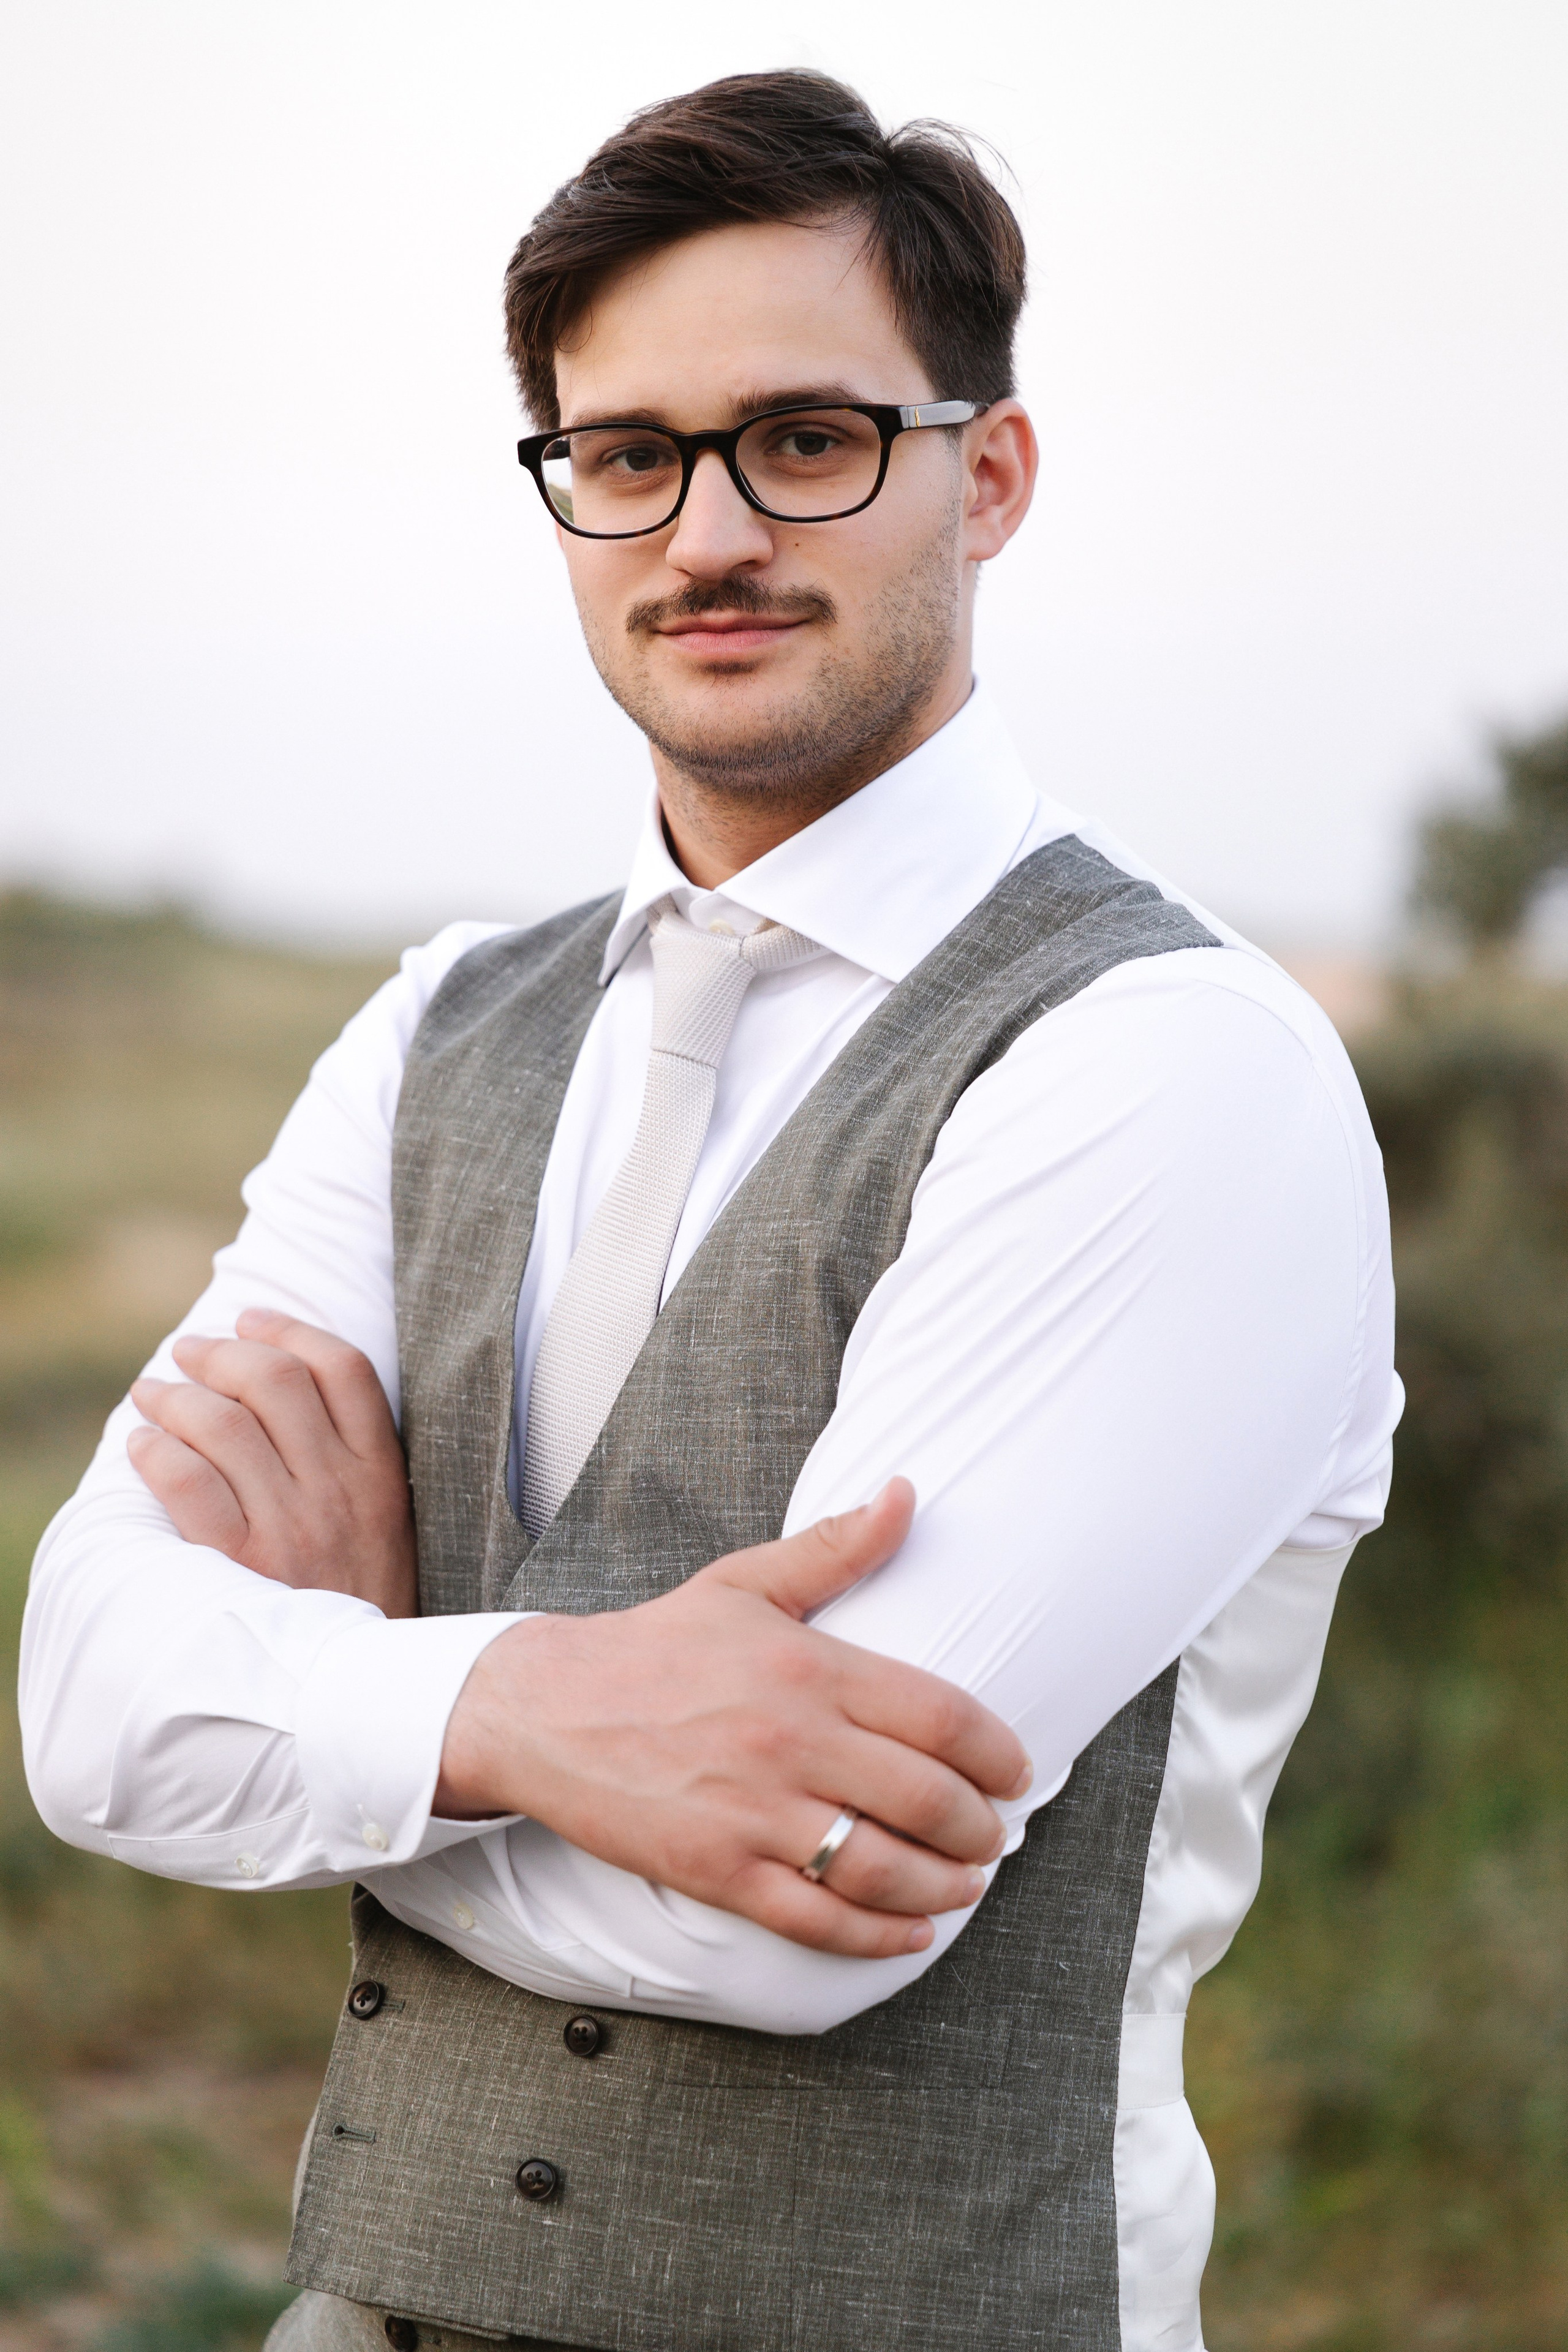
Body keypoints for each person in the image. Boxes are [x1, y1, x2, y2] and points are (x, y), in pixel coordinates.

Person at [20, 69, 1400, 2352]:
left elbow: (800, 1905)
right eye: (629, 455)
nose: (709, 531)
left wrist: (351, 1695)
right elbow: (85, 1706)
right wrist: (540, 1713)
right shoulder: (441, 1021)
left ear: (995, 471)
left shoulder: (1170, 1067)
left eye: (809, 438)